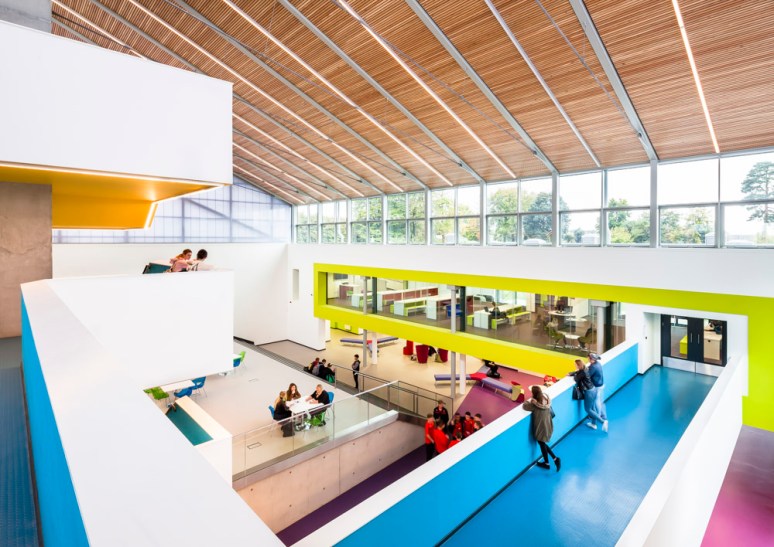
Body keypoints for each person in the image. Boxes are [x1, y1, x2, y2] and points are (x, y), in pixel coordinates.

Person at [522, 385, 561, 471]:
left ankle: (553, 460)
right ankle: (551, 461)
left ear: (534, 394)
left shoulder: (534, 405)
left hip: (541, 427)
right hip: (548, 425)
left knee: (541, 442)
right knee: (542, 443)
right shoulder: (546, 400)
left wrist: (530, 401)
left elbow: (525, 406)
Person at [571, 359, 604, 431]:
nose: (574, 365)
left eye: (575, 364)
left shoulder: (582, 372)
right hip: (593, 389)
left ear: (578, 365)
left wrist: (574, 374)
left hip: (589, 392)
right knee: (592, 408)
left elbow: (576, 378)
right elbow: (578, 373)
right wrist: (572, 373)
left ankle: (603, 422)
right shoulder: (585, 369)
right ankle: (593, 424)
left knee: (588, 409)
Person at [587, 353, 608, 432]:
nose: (588, 359)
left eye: (588, 358)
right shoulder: (597, 364)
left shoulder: (593, 367)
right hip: (600, 385)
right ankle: (599, 415)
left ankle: (597, 417)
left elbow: (587, 375)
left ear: (591, 359)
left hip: (596, 386)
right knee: (598, 401)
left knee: (596, 402)